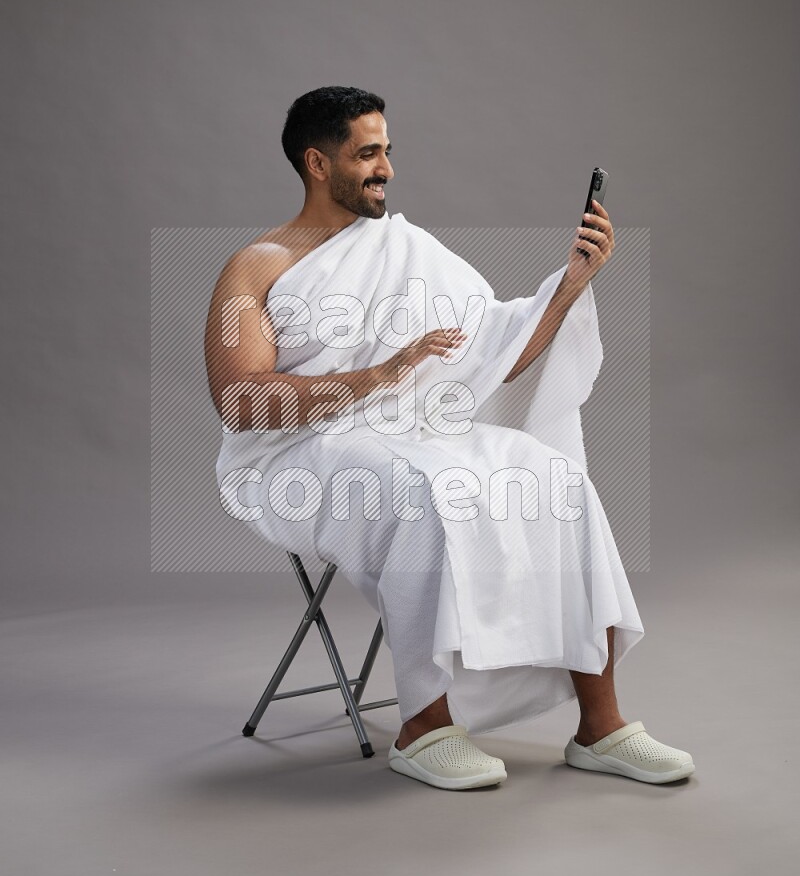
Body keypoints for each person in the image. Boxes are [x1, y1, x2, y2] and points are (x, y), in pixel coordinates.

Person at [204, 85, 695, 791]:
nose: (387, 169)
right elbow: (242, 401)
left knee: (551, 476)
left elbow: (495, 354)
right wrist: (379, 374)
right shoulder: (254, 268)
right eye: (367, 153)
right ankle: (423, 726)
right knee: (422, 492)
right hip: (299, 453)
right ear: (317, 162)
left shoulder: (408, 250)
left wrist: (568, 289)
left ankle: (600, 726)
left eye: (388, 151)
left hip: (414, 428)